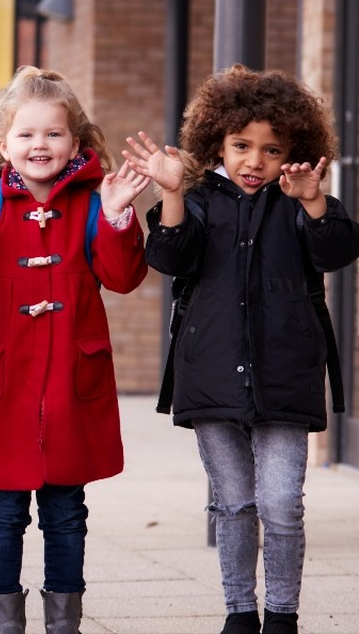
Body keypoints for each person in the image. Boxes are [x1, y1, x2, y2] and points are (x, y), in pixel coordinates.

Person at [124, 64, 359, 634]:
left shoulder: (301, 201)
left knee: (281, 504)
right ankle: (239, 612)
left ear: (295, 153)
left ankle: (281, 614)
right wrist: (172, 194)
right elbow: (169, 258)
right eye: (240, 145)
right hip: (211, 373)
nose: (254, 161)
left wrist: (314, 204)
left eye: (271, 150)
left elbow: (337, 251)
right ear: (217, 142)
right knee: (233, 504)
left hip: (286, 373)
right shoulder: (199, 199)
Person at [0, 66, 149, 634]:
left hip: (73, 378)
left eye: (53, 134)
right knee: (0, 513)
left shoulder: (94, 200)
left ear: (75, 142)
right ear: (4, 145)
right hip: (2, 379)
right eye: (26, 135)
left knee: (66, 511)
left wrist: (121, 214)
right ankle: (4, 620)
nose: (39, 146)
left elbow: (121, 277)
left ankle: (64, 622)